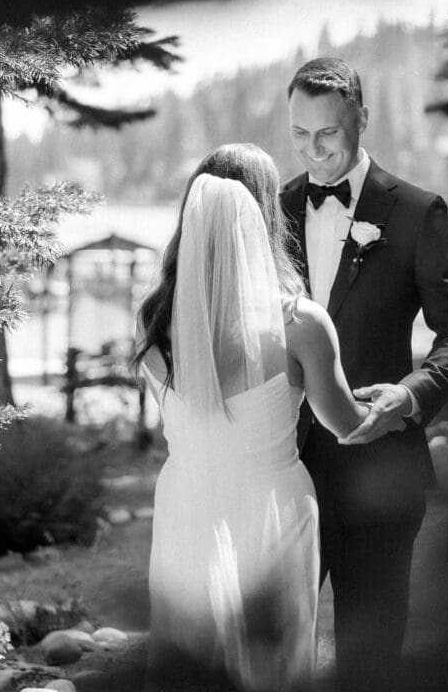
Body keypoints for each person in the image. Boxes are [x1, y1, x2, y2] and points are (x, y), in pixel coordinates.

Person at [281, 58, 448, 692]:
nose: (314, 152)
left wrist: (411, 394)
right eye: (299, 134)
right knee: (274, 653)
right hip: (284, 473)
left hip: (381, 476)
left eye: (329, 134)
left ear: (361, 121)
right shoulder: (274, 209)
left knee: (370, 665)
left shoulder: (417, 211)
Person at [134, 144, 368, 692]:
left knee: (188, 659)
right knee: (275, 665)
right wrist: (394, 404)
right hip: (272, 509)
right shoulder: (299, 323)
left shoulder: (153, 317)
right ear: (264, 214)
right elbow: (344, 423)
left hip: (185, 501)